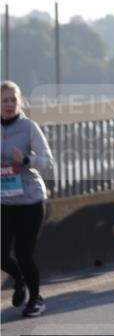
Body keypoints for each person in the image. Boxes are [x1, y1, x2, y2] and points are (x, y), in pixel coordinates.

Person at [1, 81, 53, 317]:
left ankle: (36, 299)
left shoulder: (29, 127)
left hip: (30, 200)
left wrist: (25, 160)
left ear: (19, 102)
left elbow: (47, 161)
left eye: (13, 99)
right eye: (5, 100)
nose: (10, 104)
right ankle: (19, 277)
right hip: (5, 200)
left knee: (23, 253)